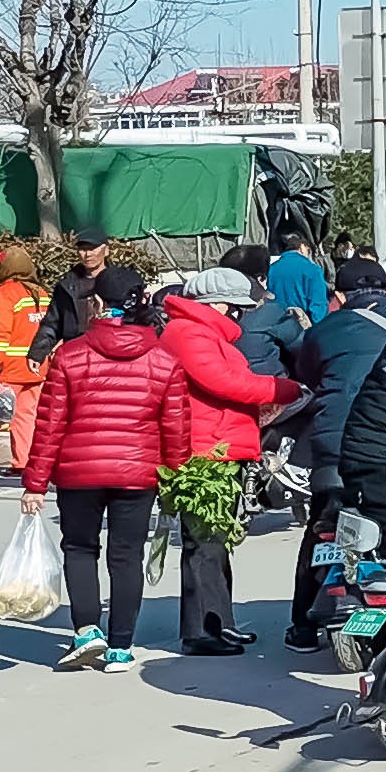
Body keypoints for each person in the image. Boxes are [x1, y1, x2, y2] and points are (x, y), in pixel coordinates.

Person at [24, 267, 193, 671]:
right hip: (138, 473)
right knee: (126, 555)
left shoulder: (70, 355)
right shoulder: (164, 359)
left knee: (79, 548)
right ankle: (120, 647)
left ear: (97, 302)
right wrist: (176, 476)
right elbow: (176, 428)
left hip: (78, 471)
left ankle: (87, 631)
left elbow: (49, 425)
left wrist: (35, 483)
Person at [161, 267, 303, 653]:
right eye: (236, 307)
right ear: (216, 304)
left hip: (217, 446)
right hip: (204, 452)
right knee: (205, 544)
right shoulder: (188, 333)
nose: (240, 315)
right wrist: (284, 388)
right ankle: (202, 632)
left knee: (216, 542)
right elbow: (226, 382)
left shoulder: (202, 332)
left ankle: (220, 623)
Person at [290, 256, 386, 649]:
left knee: (321, 529)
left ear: (341, 296)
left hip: (333, 450)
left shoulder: (323, 331)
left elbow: (307, 377)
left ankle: (301, 627)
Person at [0, 245, 48, 473]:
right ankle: (24, 463)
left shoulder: (3, 294)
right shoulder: (40, 294)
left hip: (7, 369)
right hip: (35, 368)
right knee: (26, 417)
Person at [25, 227, 114, 374]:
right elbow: (53, 322)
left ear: (106, 251)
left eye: (93, 248)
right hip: (76, 356)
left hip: (110, 356)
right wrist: (37, 352)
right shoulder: (67, 286)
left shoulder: (120, 283)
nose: (88, 254)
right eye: (83, 249)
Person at [221, 246, 307, 378]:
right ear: (261, 278)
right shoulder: (270, 311)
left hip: (220, 381)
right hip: (267, 382)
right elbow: (302, 350)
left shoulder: (210, 307)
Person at [268, 229, 329, 324]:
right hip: (301, 325)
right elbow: (319, 306)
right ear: (302, 247)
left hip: (274, 324)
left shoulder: (271, 269)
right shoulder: (313, 269)